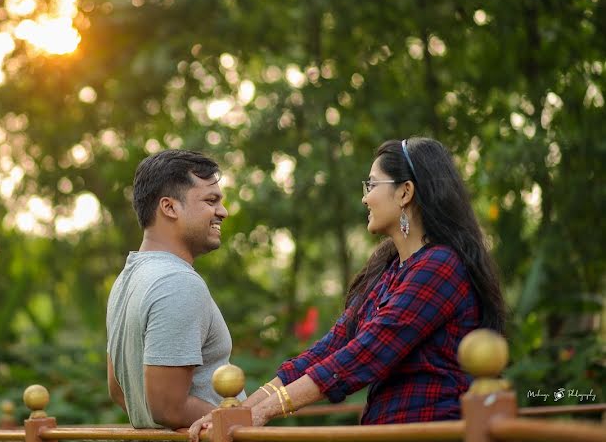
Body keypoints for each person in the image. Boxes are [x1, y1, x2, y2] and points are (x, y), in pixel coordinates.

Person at [189, 137, 507, 437]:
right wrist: (238, 413)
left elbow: (365, 354)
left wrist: (265, 412)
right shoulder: (391, 270)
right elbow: (331, 348)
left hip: (432, 432)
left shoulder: (440, 266)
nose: (365, 197)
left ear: (405, 192)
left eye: (372, 184)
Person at [107, 149, 244, 429]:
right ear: (169, 208)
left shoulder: (127, 280)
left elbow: (119, 390)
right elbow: (168, 408)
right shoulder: (176, 282)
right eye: (210, 200)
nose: (223, 211)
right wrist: (242, 422)